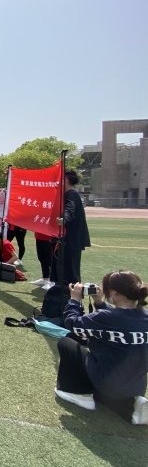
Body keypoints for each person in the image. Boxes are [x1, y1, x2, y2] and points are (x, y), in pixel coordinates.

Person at [54, 271, 148, 425]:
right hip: (136, 385)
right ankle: (131, 405)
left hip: (107, 381)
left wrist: (74, 300)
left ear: (114, 292)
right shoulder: (144, 317)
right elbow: (118, 323)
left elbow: (72, 323)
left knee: (66, 343)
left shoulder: (106, 317)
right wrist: (99, 303)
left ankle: (79, 393)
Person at [51, 169, 91, 285]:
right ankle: (60, 290)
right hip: (64, 239)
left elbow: (70, 208)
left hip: (72, 240)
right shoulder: (64, 195)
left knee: (71, 271)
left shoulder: (72, 194)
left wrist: (64, 219)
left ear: (66, 180)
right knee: (60, 267)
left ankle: (73, 293)